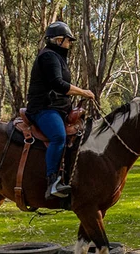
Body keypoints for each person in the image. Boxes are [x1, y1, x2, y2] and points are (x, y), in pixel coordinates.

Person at [26, 21, 96, 200]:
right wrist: (84, 92)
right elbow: (58, 84)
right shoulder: (48, 57)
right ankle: (52, 182)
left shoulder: (58, 58)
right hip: (43, 108)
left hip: (58, 108)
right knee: (58, 137)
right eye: (68, 40)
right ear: (58, 40)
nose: (69, 43)